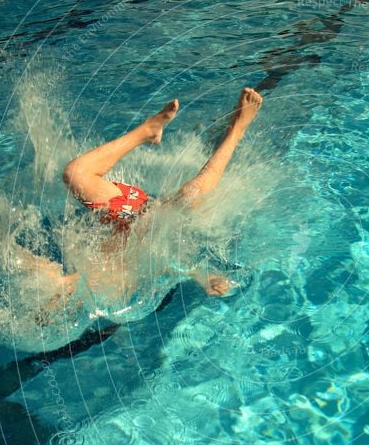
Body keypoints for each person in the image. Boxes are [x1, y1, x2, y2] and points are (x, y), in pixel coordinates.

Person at [14, 87, 263, 321]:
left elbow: (11, 253)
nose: (52, 299)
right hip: (152, 226)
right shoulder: (109, 299)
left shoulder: (50, 278)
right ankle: (237, 130)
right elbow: (164, 264)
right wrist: (202, 277)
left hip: (124, 217)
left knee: (75, 174)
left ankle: (147, 131)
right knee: (192, 195)